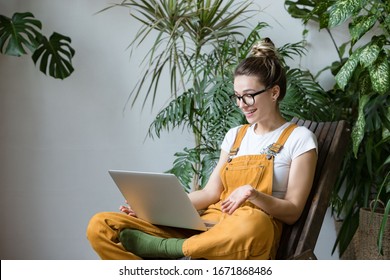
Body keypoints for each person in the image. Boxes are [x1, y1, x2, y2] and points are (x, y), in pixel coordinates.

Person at [86, 37, 318, 260]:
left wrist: (254, 195)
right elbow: (210, 194)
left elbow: (293, 211)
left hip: (247, 232)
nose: (241, 105)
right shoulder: (235, 136)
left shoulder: (299, 139)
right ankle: (192, 247)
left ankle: (171, 248)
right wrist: (153, 210)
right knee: (101, 225)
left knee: (253, 223)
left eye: (248, 96)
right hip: (211, 226)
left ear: (274, 92)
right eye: (237, 97)